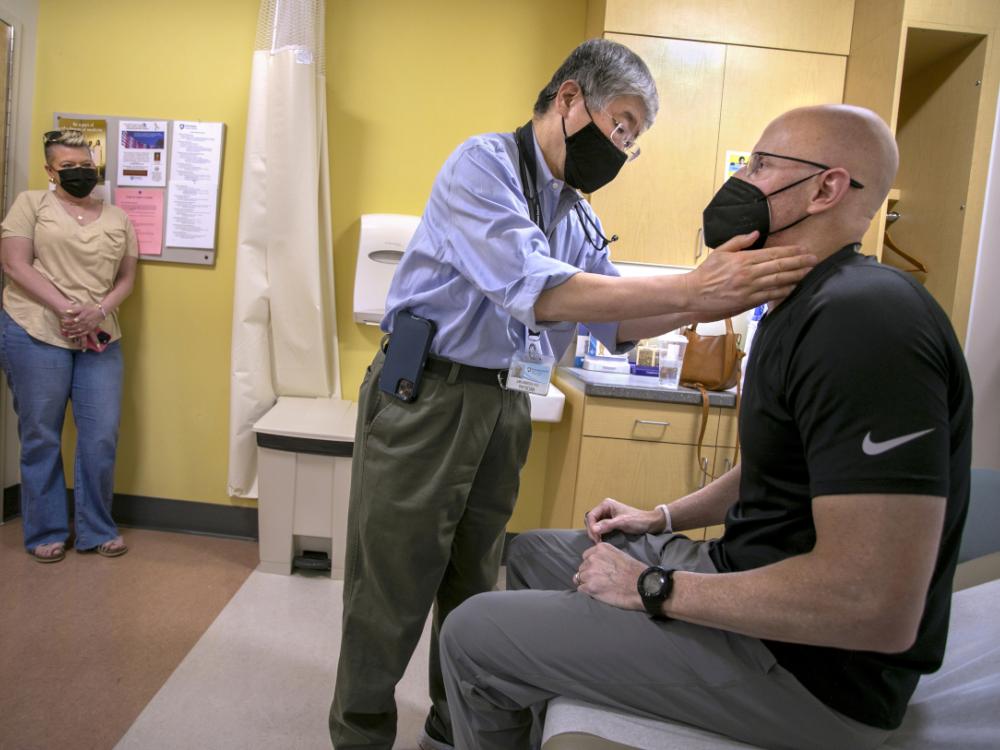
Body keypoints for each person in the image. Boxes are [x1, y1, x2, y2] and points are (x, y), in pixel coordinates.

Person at [329, 39, 817, 750]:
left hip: (503, 406)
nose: (621, 147)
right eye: (620, 125)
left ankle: (449, 722)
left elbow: (612, 313)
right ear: (568, 100)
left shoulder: (574, 210)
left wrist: (711, 301)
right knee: (391, 590)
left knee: (473, 579)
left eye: (633, 139)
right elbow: (541, 290)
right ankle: (359, 735)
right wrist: (693, 287)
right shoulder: (484, 166)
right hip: (428, 398)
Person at [437, 104, 973, 750]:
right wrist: (660, 517)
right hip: (739, 573)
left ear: (827, 188)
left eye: (762, 164)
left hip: (810, 674)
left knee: (471, 632)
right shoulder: (795, 306)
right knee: (532, 554)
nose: (741, 178)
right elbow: (773, 469)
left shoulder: (866, 323)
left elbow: (875, 606)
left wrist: (655, 588)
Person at [0, 129, 139, 563]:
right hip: (34, 329)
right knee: (41, 433)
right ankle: (46, 529)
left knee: (100, 435)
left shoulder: (118, 218)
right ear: (50, 171)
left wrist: (96, 312)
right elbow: (13, 263)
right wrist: (67, 309)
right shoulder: (31, 205)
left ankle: (97, 529)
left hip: (100, 337)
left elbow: (127, 278)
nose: (80, 174)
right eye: (69, 168)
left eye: (87, 167)